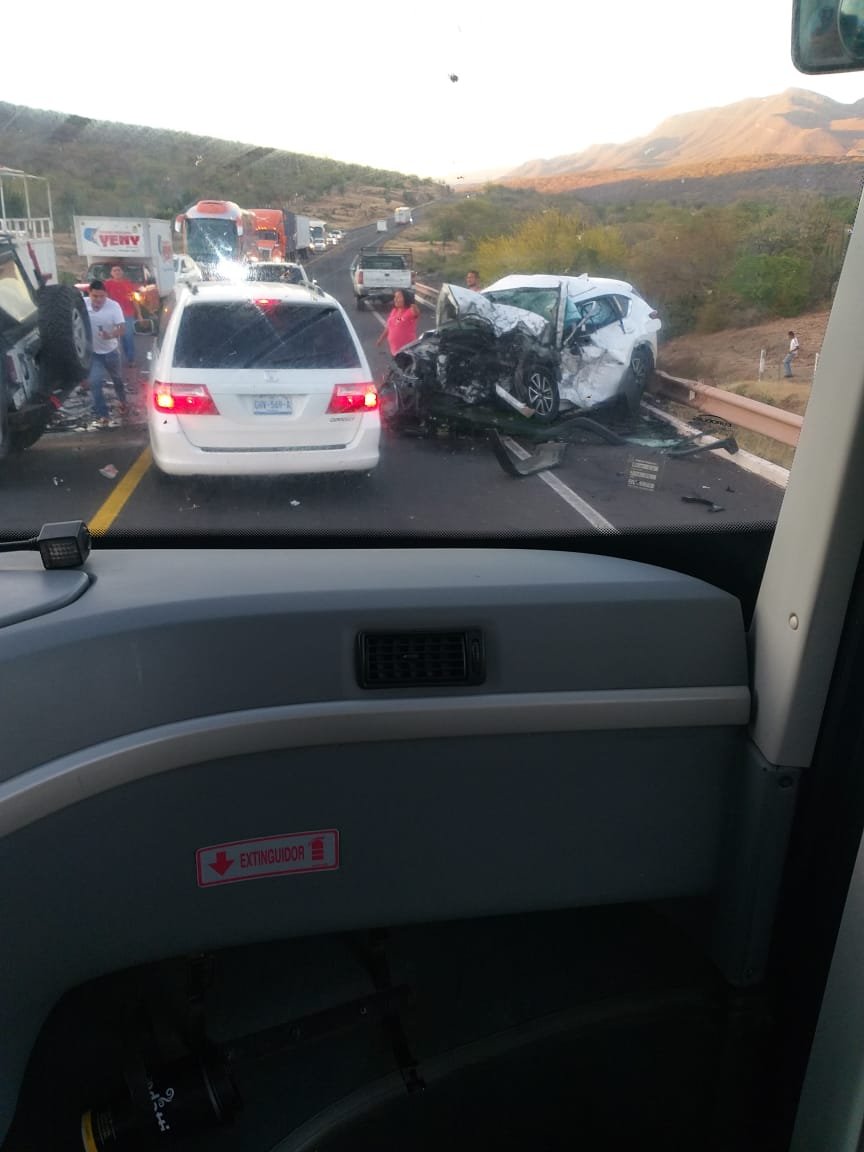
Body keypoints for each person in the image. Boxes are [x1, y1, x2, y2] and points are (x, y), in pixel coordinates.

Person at [84, 280, 127, 429]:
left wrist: (110, 335)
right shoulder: (83, 304)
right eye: (95, 296)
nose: (98, 300)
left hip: (111, 351)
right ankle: (103, 415)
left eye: (101, 296)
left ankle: (123, 401)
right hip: (94, 353)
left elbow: (122, 329)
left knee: (117, 379)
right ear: (89, 294)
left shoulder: (114, 306)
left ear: (106, 295)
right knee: (95, 383)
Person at [104, 265, 141, 386]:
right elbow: (103, 299)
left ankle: (131, 359)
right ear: (111, 273)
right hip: (113, 315)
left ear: (122, 272)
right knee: (113, 338)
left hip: (127, 314)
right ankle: (113, 361)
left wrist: (139, 314)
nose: (117, 272)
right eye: (114, 270)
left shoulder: (128, 284)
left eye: (119, 270)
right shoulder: (107, 284)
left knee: (128, 337)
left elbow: (134, 299)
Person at [376, 289, 421, 356]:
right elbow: (390, 327)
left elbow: (416, 313)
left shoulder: (409, 311)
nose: (395, 299)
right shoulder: (394, 311)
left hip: (407, 350)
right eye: (395, 297)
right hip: (394, 350)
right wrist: (381, 339)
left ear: (405, 299)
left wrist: (413, 306)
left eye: (399, 297)